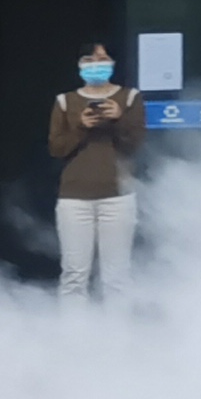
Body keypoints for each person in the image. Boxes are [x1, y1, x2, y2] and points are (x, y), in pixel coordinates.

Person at [50, 45, 146, 299]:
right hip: (74, 199)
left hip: (118, 197)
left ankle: (118, 325)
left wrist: (118, 119)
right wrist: (80, 125)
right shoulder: (64, 101)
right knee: (74, 275)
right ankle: (74, 325)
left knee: (117, 277)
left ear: (113, 61)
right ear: (79, 64)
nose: (96, 63)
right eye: (89, 58)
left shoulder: (130, 98)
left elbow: (134, 144)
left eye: (102, 58)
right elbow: (57, 148)